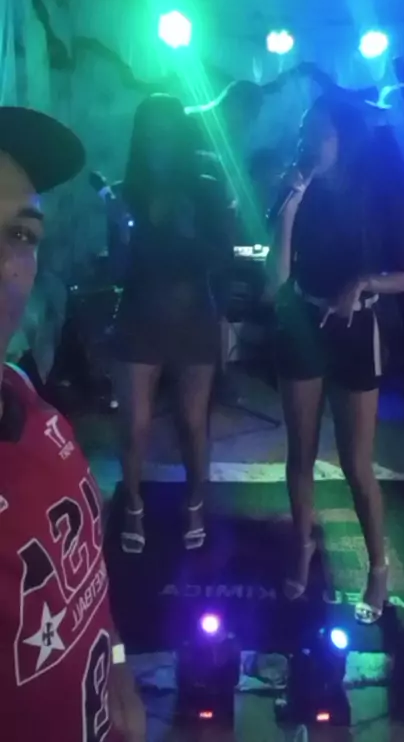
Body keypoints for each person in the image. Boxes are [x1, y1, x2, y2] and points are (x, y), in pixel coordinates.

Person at [0, 107, 145, 740]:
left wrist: (118, 667)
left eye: (20, 234)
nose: (4, 266)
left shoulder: (25, 397)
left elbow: (86, 583)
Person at [268, 99, 404, 624]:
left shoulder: (375, 195)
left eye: (322, 133)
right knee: (300, 454)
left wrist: (362, 281)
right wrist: (290, 204)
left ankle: (378, 567)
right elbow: (277, 279)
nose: (311, 142)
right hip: (303, 324)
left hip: (356, 329)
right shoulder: (294, 188)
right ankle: (302, 544)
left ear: (344, 138)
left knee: (356, 463)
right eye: (306, 131)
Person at [113, 94, 232, 554]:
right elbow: (119, 272)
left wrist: (187, 233)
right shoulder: (128, 191)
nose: (158, 139)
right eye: (149, 131)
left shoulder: (205, 187)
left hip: (193, 315)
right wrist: (120, 235)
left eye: (165, 130)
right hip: (140, 314)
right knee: (134, 423)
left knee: (192, 423)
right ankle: (133, 505)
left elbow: (222, 256)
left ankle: (195, 502)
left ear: (179, 134)